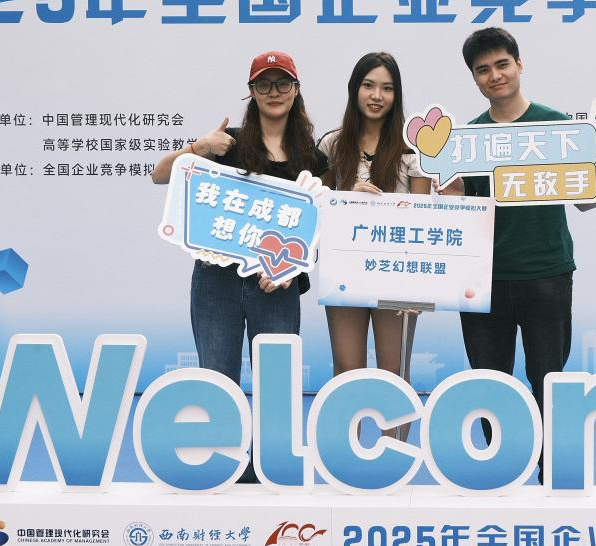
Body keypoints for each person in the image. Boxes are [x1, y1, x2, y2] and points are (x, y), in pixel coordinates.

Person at [454, 28, 596, 473]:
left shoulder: (557, 127)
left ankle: (551, 473)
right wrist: (450, 194)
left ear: (519, 65)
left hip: (547, 273)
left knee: (549, 380)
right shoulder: (467, 139)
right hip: (483, 281)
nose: (494, 75)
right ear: (474, 78)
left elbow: (583, 199)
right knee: (489, 383)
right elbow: (460, 209)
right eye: (483, 70)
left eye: (502, 64)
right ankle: (499, 471)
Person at [151, 49, 328, 391]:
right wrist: (200, 146)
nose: (274, 92)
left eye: (282, 84)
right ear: (251, 92)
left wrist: (290, 267)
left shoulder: (313, 158)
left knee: (276, 390)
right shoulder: (226, 144)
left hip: (275, 284)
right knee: (218, 388)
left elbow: (316, 231)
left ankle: (269, 437)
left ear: (296, 89)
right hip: (216, 282)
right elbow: (160, 175)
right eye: (264, 85)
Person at [318, 52, 430, 390]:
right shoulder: (332, 144)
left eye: (387, 88)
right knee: (346, 370)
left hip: (397, 272)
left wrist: (420, 287)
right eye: (368, 86)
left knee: (394, 372)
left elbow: (423, 219)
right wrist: (346, 197)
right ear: (354, 89)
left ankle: (396, 430)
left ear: (397, 95)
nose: (377, 96)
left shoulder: (412, 150)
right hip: (345, 269)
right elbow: (317, 207)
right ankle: (346, 428)